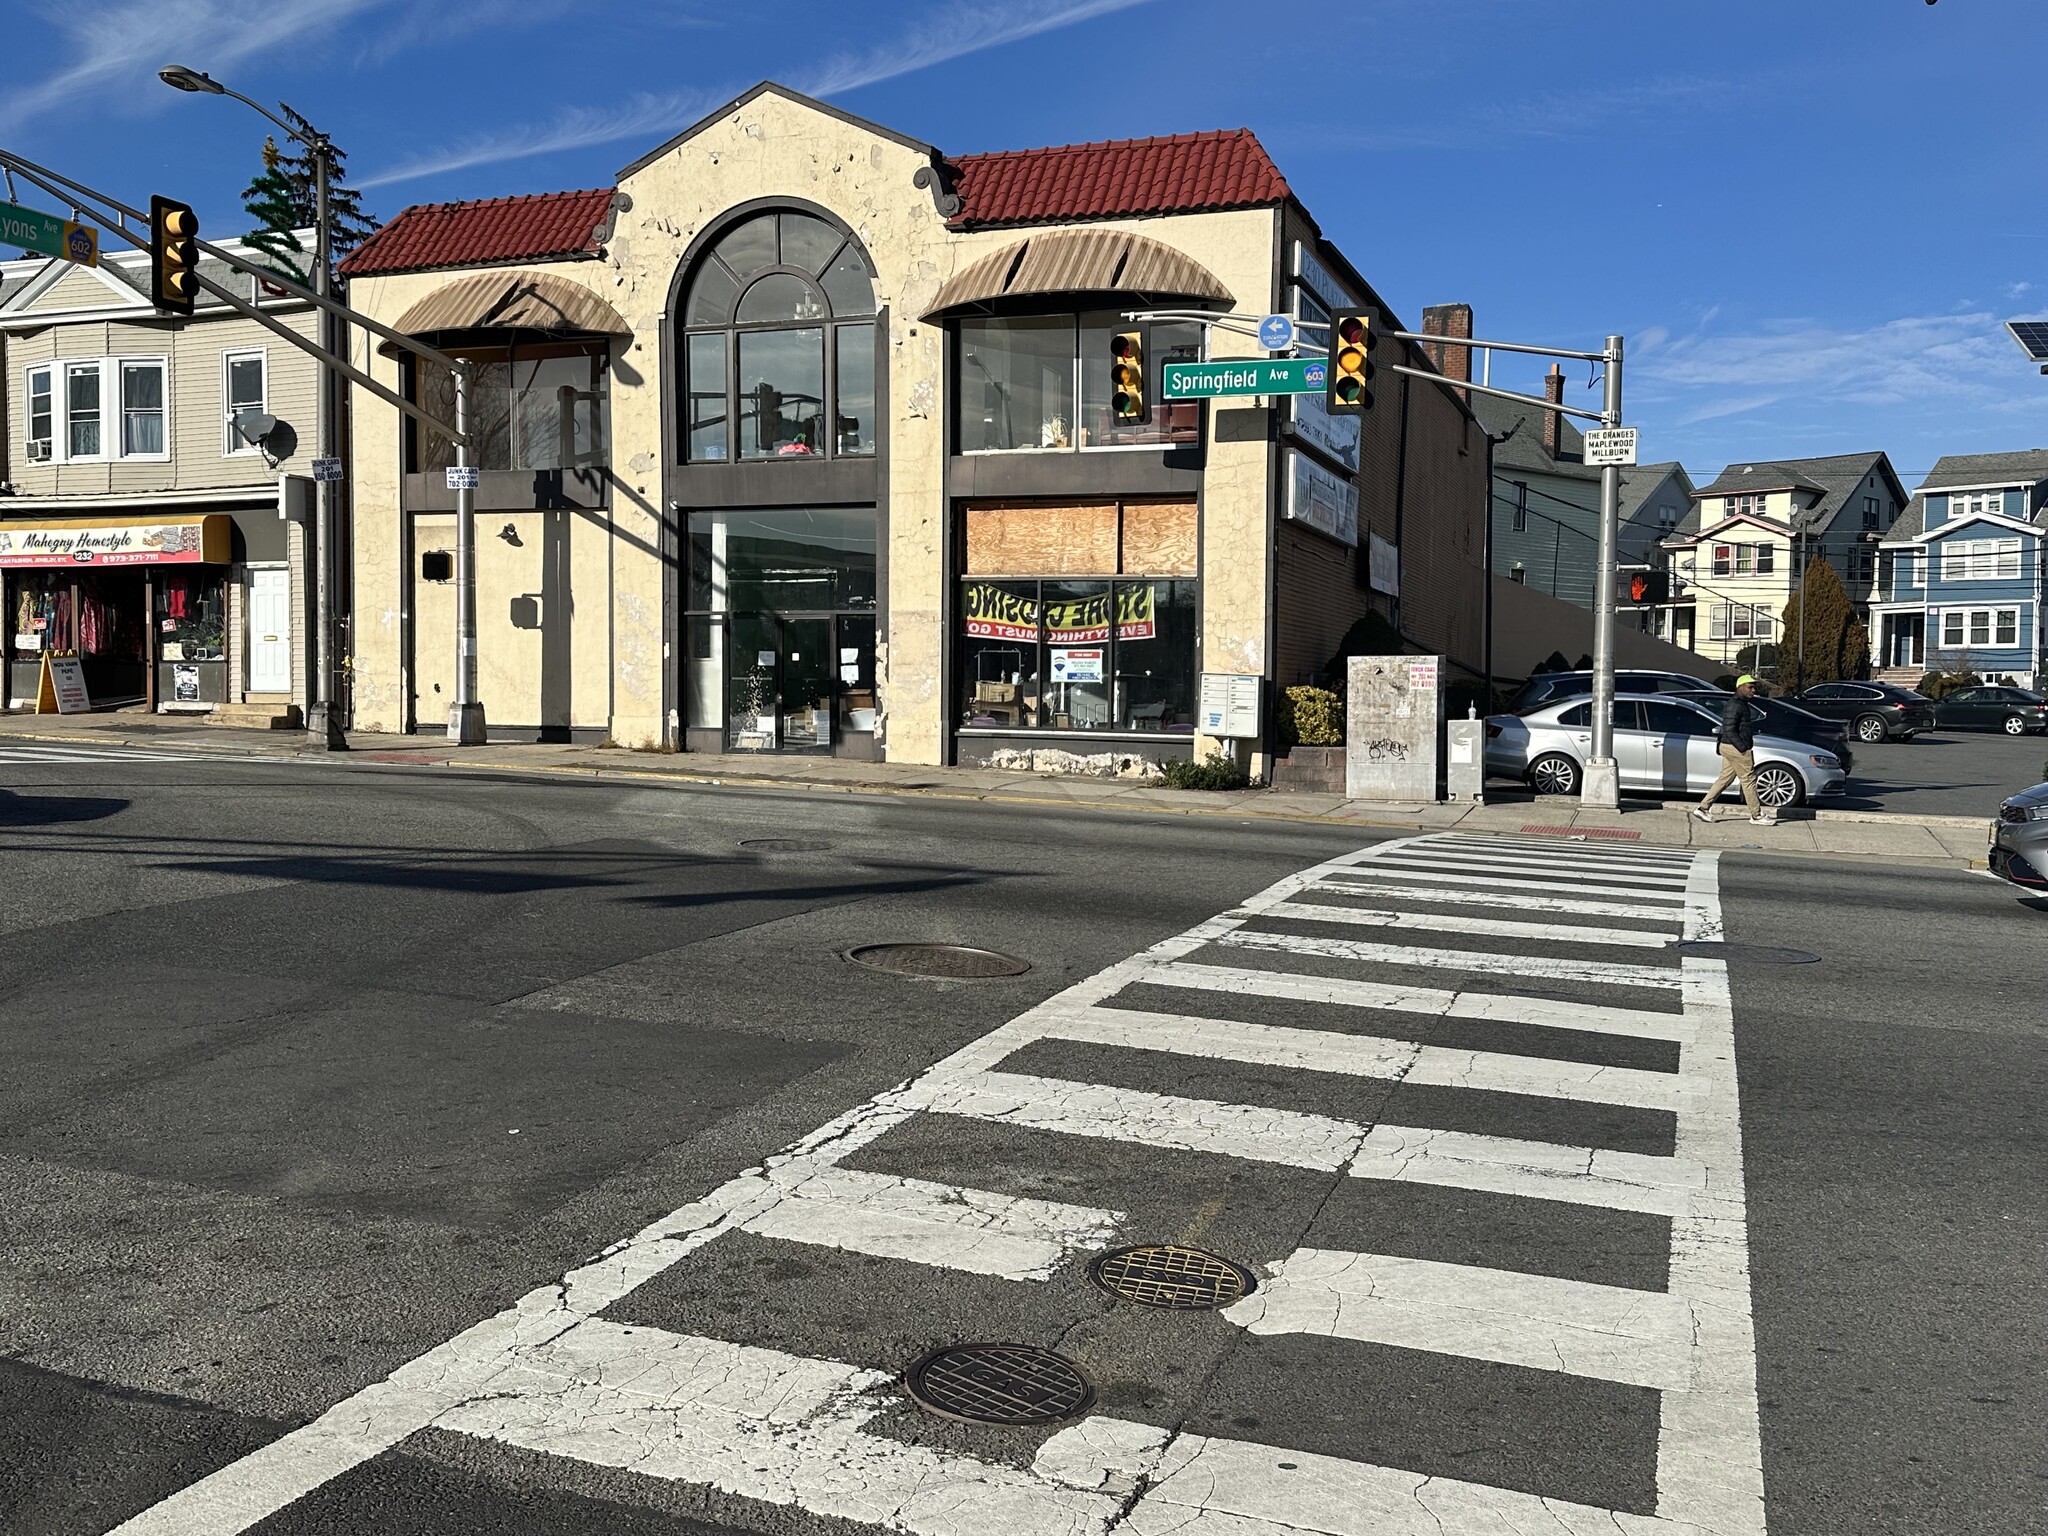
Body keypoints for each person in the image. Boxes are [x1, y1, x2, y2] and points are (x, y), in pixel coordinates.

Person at [1692, 675, 1777, 825]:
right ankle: (1756, 815)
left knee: (1726, 778)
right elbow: (1729, 730)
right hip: (1735, 747)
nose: (1753, 690)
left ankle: (1703, 808)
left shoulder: (1740, 703)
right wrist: (1742, 748)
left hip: (1729, 746)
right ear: (1740, 687)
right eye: (1750, 687)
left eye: (1753, 687)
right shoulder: (1735, 705)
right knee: (1749, 779)